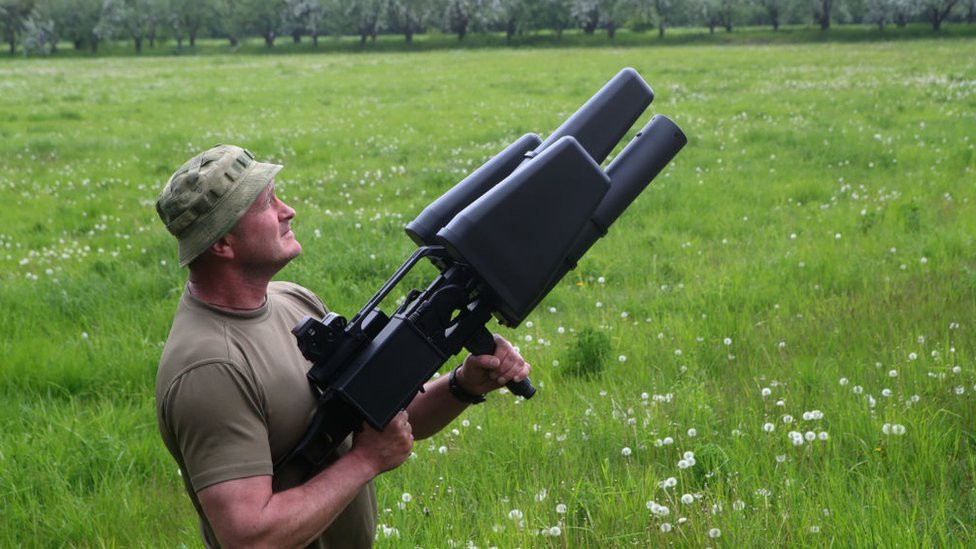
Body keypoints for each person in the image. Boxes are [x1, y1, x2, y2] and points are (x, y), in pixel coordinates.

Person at [154, 144, 531, 548]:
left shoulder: (292, 302)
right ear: (222, 244)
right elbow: (249, 538)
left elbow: (382, 418)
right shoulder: (211, 368)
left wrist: (463, 385)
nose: (288, 210)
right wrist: (364, 462)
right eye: (267, 204)